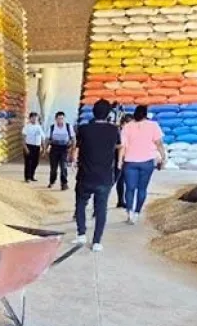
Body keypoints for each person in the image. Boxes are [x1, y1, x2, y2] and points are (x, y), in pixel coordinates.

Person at [69, 100, 119, 252]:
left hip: (85, 175)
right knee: (101, 208)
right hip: (104, 177)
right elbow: (118, 146)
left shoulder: (84, 129)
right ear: (109, 113)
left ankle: (81, 234)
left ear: (93, 112)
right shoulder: (114, 130)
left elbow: (76, 146)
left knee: (80, 204)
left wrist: (73, 160)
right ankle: (96, 242)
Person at [119, 105, 167, 224]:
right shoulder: (153, 125)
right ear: (146, 114)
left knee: (130, 189)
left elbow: (123, 147)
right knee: (142, 189)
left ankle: (129, 213)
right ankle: (137, 213)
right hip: (147, 162)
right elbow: (159, 143)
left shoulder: (127, 127)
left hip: (130, 162)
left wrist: (120, 161)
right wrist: (163, 157)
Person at [47, 111, 74, 191]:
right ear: (56, 119)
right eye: (59, 119)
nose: (60, 120)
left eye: (62, 118)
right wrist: (45, 149)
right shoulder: (52, 127)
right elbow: (47, 139)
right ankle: (52, 181)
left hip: (64, 149)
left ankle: (64, 183)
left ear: (64, 119)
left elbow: (73, 138)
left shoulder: (68, 127)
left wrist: (72, 148)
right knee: (53, 168)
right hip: (54, 149)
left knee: (63, 167)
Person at [114, 113, 134, 209]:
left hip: (128, 158)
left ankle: (121, 201)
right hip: (117, 159)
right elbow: (113, 145)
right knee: (116, 180)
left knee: (125, 181)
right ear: (124, 123)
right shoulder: (117, 132)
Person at [22, 112, 44, 183]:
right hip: (28, 146)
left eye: (36, 118)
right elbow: (23, 138)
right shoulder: (27, 127)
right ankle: (27, 177)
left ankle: (32, 176)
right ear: (30, 118)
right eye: (33, 117)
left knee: (35, 162)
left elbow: (42, 137)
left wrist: (43, 147)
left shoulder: (39, 127)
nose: (34, 119)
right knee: (28, 162)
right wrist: (25, 148)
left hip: (37, 147)